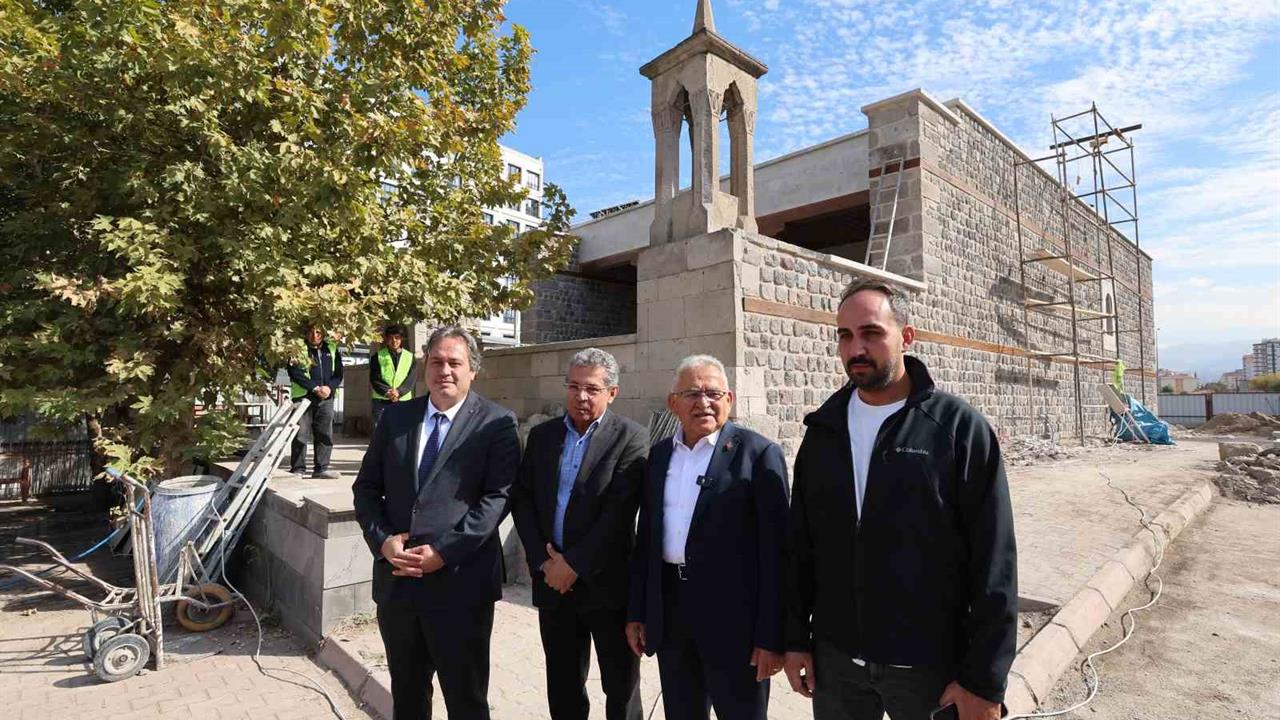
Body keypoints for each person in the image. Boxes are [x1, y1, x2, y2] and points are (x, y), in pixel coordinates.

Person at [783, 279, 1018, 720]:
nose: (856, 348)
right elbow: (802, 546)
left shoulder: (957, 429)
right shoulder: (823, 431)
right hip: (837, 668)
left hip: (928, 669)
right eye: (845, 335)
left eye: (871, 333)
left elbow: (994, 562)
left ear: (906, 337)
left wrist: (985, 680)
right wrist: (796, 639)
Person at [352, 325, 519, 720]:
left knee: (466, 700)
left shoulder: (497, 423)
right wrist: (383, 542)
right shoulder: (396, 419)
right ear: (425, 365)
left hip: (461, 587)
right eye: (437, 361)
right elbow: (366, 490)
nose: (445, 370)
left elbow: (498, 498)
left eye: (455, 363)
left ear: (473, 370)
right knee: (408, 697)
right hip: (399, 586)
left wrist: (444, 552)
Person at [626, 355, 790, 720]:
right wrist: (639, 610)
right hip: (671, 614)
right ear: (673, 403)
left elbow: (777, 554)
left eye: (714, 393)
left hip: (737, 622)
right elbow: (646, 539)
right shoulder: (658, 457)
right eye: (692, 393)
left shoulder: (758, 454)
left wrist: (771, 637)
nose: (704, 402)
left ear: (729, 399)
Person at [511, 348, 649, 720]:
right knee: (564, 686)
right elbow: (522, 500)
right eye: (573, 386)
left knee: (621, 689)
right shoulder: (543, 437)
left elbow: (618, 514)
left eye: (591, 388)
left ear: (612, 393)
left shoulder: (631, 438)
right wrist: (543, 562)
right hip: (553, 585)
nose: (580, 396)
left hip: (608, 587)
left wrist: (574, 564)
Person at [287, 324, 344, 479]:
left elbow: (338, 373)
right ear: (306, 333)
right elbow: (294, 372)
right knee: (300, 434)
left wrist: (329, 388)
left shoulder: (331, 349)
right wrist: (315, 388)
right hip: (304, 396)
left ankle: (322, 468)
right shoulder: (298, 348)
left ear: (323, 334)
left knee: (324, 434)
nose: (314, 335)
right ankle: (298, 469)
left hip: (326, 397)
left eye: (318, 332)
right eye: (311, 331)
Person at [371, 324, 417, 429]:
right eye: (391, 338)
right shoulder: (377, 356)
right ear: (386, 339)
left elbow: (411, 379)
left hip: (403, 400)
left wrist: (399, 392)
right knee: (381, 431)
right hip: (382, 400)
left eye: (397, 338)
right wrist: (388, 392)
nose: (394, 341)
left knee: (401, 430)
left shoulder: (410, 357)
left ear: (401, 339)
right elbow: (375, 378)